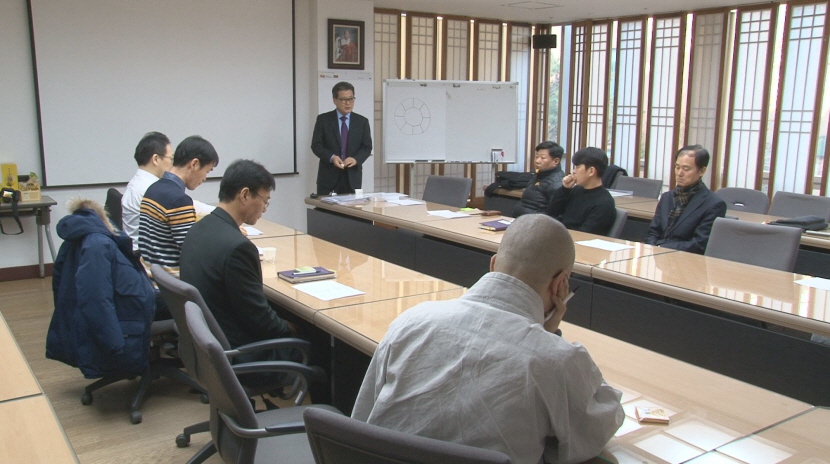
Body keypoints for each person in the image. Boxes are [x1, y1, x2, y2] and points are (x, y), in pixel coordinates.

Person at [352, 214, 624, 464]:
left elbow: (362, 420)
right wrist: (549, 334)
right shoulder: (556, 359)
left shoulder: (410, 321)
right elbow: (597, 428)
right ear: (560, 285)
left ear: (493, 264)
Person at [180, 159, 297, 385]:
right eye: (264, 200)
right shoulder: (239, 247)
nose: (265, 208)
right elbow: (259, 319)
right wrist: (289, 327)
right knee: (318, 339)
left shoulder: (198, 229)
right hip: (239, 354)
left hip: (206, 347)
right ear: (244, 195)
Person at [47, 198, 156, 378]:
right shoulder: (98, 244)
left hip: (127, 306)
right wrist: (115, 345)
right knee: (188, 303)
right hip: (129, 317)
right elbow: (95, 299)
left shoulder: (87, 236)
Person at [139, 135, 218, 277]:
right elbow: (194, 254)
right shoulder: (179, 200)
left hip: (151, 279)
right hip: (174, 283)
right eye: (207, 171)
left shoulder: (152, 189)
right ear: (194, 164)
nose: (205, 178)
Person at [644, 145, 727, 254]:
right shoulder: (667, 197)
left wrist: (661, 247)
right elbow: (653, 232)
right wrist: (652, 249)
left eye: (686, 169)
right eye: (677, 167)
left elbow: (700, 244)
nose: (679, 173)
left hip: (687, 259)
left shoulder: (714, 204)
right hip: (657, 255)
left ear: (702, 171)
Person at [311, 81, 373, 195]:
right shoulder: (323, 120)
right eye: (344, 100)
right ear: (334, 100)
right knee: (325, 207)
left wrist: (356, 159)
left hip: (352, 178)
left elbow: (367, 147)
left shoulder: (362, 122)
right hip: (328, 177)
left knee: (351, 206)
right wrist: (332, 157)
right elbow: (316, 145)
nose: (348, 103)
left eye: (351, 99)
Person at [546, 147, 616, 235]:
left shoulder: (604, 203)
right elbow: (552, 212)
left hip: (575, 240)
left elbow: (586, 234)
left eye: (577, 167)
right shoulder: (577, 190)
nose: (574, 171)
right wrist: (565, 189)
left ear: (591, 171)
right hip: (562, 236)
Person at [122, 132, 173, 253]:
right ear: (156, 159)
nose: (172, 164)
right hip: (146, 256)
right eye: (171, 158)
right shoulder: (151, 190)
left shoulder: (138, 183)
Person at [513, 141, 566, 217]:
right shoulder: (539, 175)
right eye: (537, 157)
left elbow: (554, 214)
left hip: (536, 222)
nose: (537, 161)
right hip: (521, 220)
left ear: (556, 161)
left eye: (543, 158)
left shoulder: (557, 183)